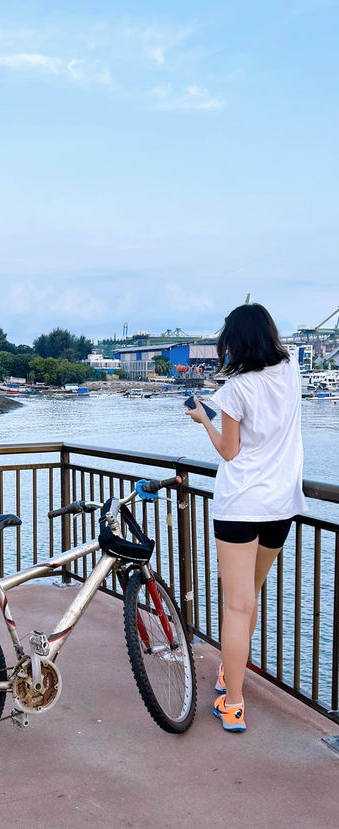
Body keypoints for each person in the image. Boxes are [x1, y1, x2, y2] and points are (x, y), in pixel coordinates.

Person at [185, 303, 307, 733]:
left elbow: (230, 451)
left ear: (235, 342)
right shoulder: (291, 370)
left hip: (240, 506)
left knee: (236, 605)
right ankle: (230, 674)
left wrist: (204, 420)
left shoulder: (235, 389)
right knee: (249, 597)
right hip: (280, 506)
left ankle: (232, 703)